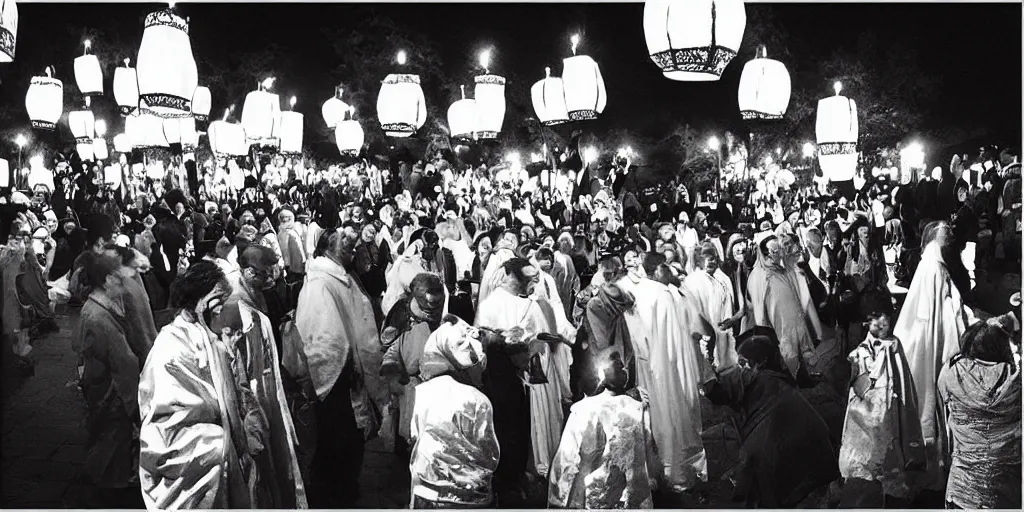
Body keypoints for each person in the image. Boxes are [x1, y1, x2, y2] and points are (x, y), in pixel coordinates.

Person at [138, 261, 252, 508]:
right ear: (199, 299)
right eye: (218, 299)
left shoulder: (203, 332)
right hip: (196, 448)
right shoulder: (170, 348)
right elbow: (166, 420)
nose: (222, 308)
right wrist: (219, 443)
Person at [295, 229, 387, 507]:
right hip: (336, 381)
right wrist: (342, 371)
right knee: (337, 443)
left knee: (348, 443)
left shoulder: (341, 277)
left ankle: (344, 490)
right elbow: (324, 337)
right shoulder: (320, 284)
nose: (352, 249)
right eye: (345, 246)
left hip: (349, 376)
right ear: (327, 249)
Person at [211, 245, 307, 508]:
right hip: (251, 391)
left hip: (266, 383)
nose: (273, 277)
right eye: (267, 272)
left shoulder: (257, 293)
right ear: (251, 271)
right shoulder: (233, 304)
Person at [701, 327, 840, 508]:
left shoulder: (762, 384)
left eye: (743, 363)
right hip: (816, 447)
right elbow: (723, 395)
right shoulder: (773, 380)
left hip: (800, 449)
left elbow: (722, 395)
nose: (739, 369)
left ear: (759, 363)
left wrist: (703, 368)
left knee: (758, 467)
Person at [893, 221, 976, 494]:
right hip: (935, 347)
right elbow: (935, 316)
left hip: (934, 345)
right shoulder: (933, 268)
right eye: (945, 234)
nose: (949, 236)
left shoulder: (934, 266)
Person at [73, 253, 143, 508]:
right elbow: (124, 364)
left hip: (105, 389)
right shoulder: (98, 317)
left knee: (109, 441)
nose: (123, 285)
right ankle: (109, 490)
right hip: (111, 393)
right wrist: (134, 403)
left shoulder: (97, 308)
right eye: (119, 279)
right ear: (107, 280)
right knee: (112, 444)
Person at [548, 351, 658, 509]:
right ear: (599, 372)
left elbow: (648, 450)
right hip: (595, 492)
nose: (622, 364)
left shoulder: (636, 408)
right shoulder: (585, 410)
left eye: (621, 360)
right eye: (614, 359)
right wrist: (559, 496)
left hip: (626, 494)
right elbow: (567, 457)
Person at [408, 318, 499, 508]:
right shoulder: (478, 400)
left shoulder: (419, 393)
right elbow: (488, 451)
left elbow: (413, 435)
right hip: (467, 497)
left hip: (426, 490)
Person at [837, 311, 925, 507]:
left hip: (884, 412)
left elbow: (902, 387)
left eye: (885, 324)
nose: (882, 328)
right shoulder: (861, 353)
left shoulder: (892, 348)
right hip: (871, 417)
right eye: (878, 324)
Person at [938, 317, 1022, 509]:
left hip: (962, 486)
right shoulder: (1017, 379)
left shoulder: (952, 372)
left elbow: (943, 398)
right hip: (1006, 488)